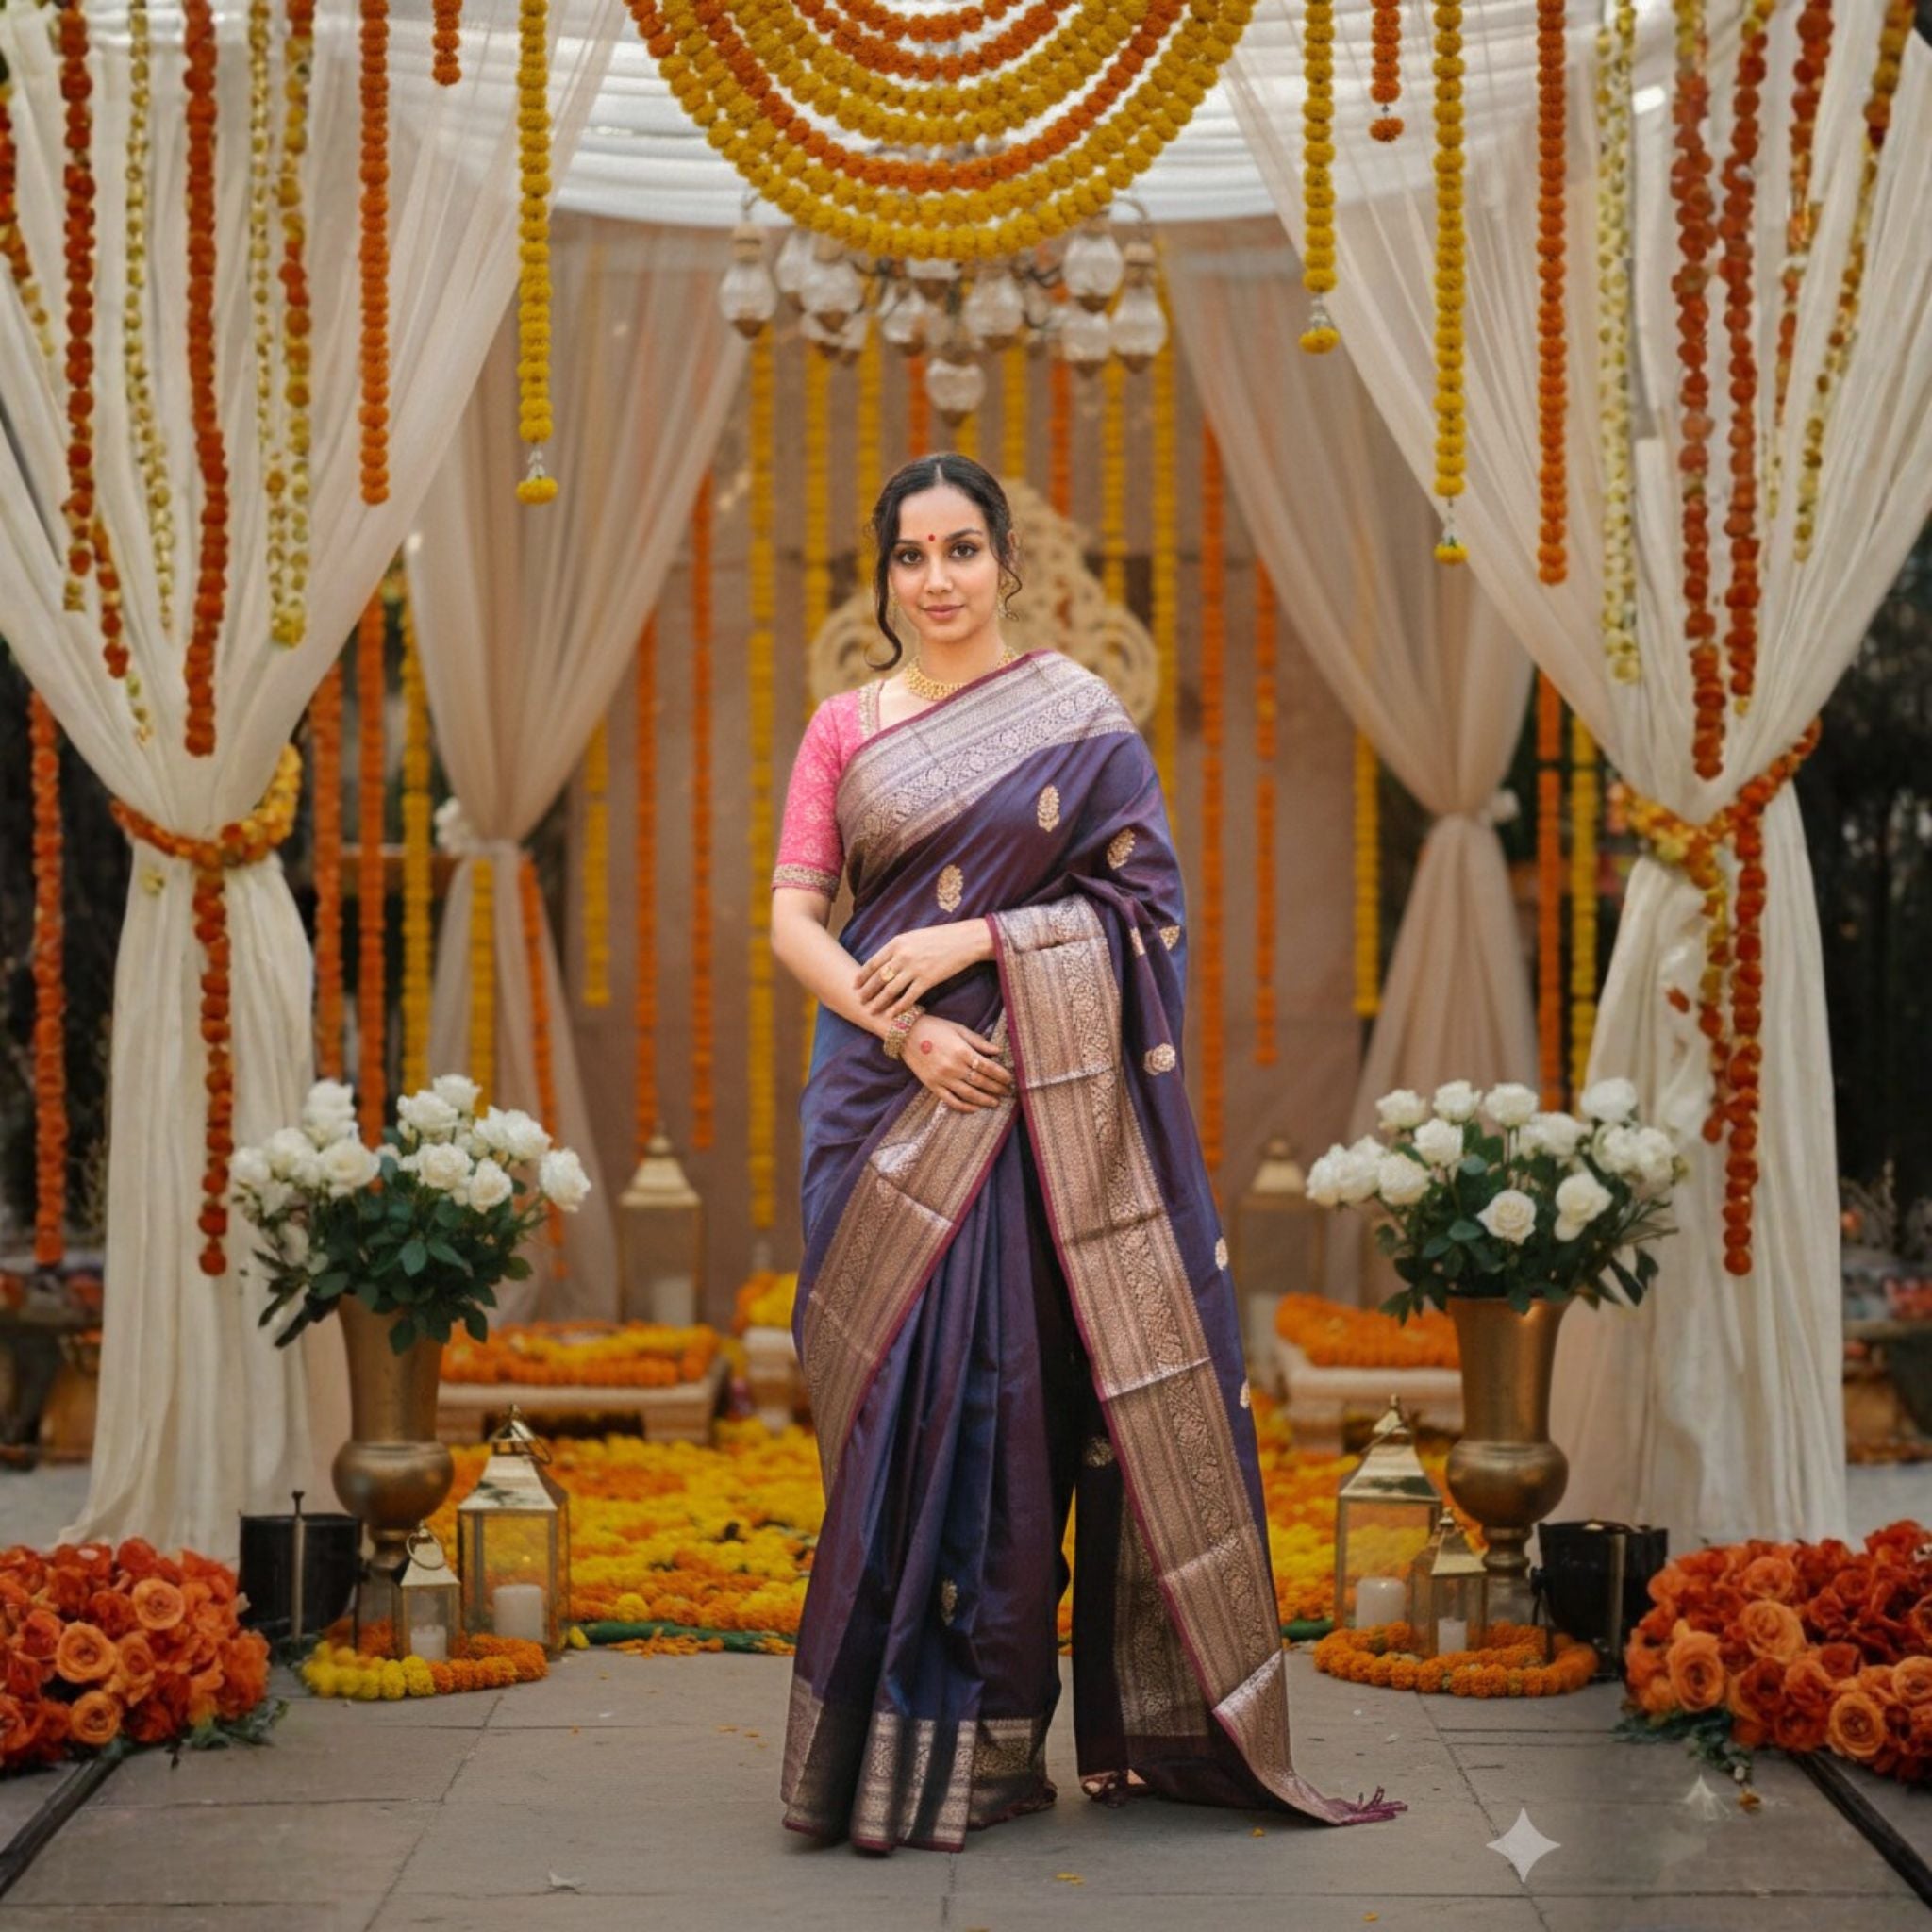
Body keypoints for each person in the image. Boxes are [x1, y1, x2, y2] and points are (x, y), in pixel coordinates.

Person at [768, 452, 1401, 1853]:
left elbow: (1143, 908)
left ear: (1010, 563)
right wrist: (909, 1026)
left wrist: (980, 939)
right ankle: (875, 1740)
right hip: (883, 1103)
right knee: (890, 1410)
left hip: (1037, 1118)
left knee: (1001, 1410)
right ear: (885, 575)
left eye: (962, 551)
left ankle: (990, 1745)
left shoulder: (1079, 718)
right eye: (911, 556)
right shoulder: (842, 728)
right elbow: (796, 920)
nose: (937, 581)